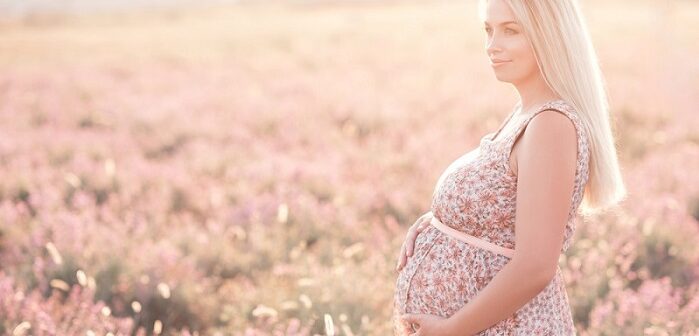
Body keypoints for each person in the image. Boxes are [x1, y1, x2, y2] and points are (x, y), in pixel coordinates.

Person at [392, 0, 627, 335]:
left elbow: (535, 266)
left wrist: (451, 330)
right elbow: (500, 217)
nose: (492, 46)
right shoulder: (527, 113)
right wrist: (442, 224)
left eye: (511, 31)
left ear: (549, 35)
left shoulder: (551, 124)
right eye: (488, 30)